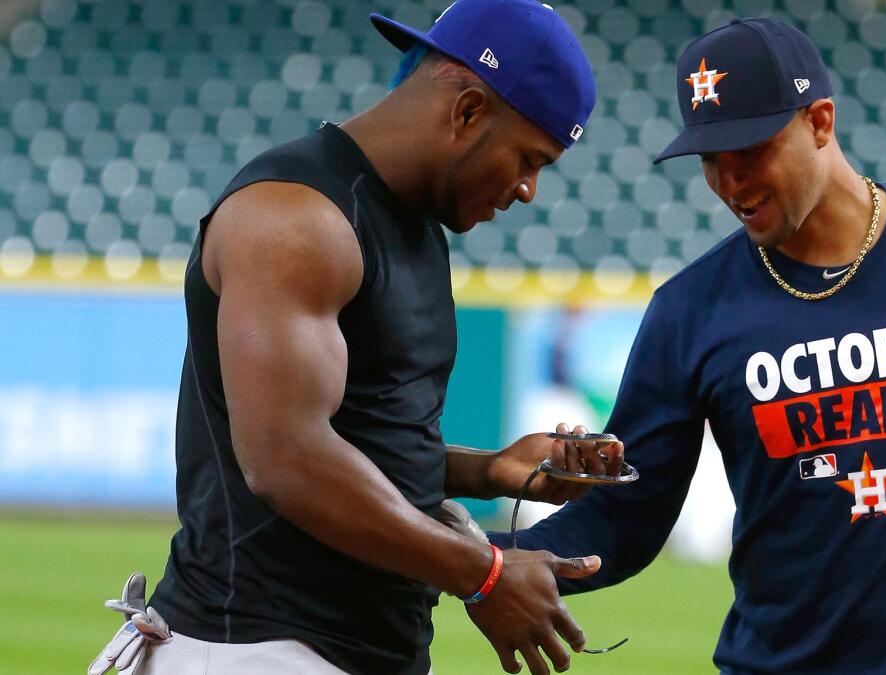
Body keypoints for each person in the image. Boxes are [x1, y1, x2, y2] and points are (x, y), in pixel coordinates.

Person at [493, 17, 886, 674]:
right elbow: (623, 520)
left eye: (749, 151)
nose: (731, 184)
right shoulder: (688, 311)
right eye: (711, 160)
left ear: (820, 122)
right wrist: (466, 556)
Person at [89, 2, 623, 675]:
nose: (527, 189)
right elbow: (286, 457)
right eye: (530, 158)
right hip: (252, 648)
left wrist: (491, 468)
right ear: (466, 112)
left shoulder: (415, 227)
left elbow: (360, 437)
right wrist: (483, 571)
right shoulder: (293, 215)